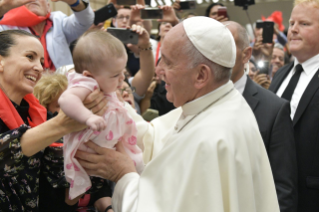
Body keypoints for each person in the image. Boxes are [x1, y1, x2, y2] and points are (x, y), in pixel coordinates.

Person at [75, 16, 280, 212]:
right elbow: (156, 137)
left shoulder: (210, 137)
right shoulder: (220, 103)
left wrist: (123, 174)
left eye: (168, 62)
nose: (159, 70)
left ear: (201, 75)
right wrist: (114, 104)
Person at [0, 29, 106, 212]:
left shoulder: (40, 116)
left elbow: (54, 198)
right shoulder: (52, 123)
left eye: (41, 62)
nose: (39, 68)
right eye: (30, 57)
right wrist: (61, 125)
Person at [58, 29, 144, 200]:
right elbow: (66, 100)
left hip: (112, 140)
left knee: (136, 166)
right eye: (115, 75)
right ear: (89, 75)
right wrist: (87, 117)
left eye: (123, 73)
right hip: (89, 144)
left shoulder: (105, 83)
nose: (122, 79)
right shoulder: (86, 83)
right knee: (81, 182)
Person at [225, 21, 298, 212]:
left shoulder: (274, 109)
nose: (219, 53)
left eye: (228, 46)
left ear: (246, 55)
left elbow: (282, 189)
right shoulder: (195, 100)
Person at [269, 0, 319, 211]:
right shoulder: (280, 75)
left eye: (304, 24)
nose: (294, 30)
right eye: (292, 23)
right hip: (273, 194)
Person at [0, 0, 94, 70]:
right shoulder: (7, 26)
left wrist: (73, 1)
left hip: (62, 86)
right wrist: (3, 7)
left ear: (48, 6)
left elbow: (85, 21)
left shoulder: (58, 21)